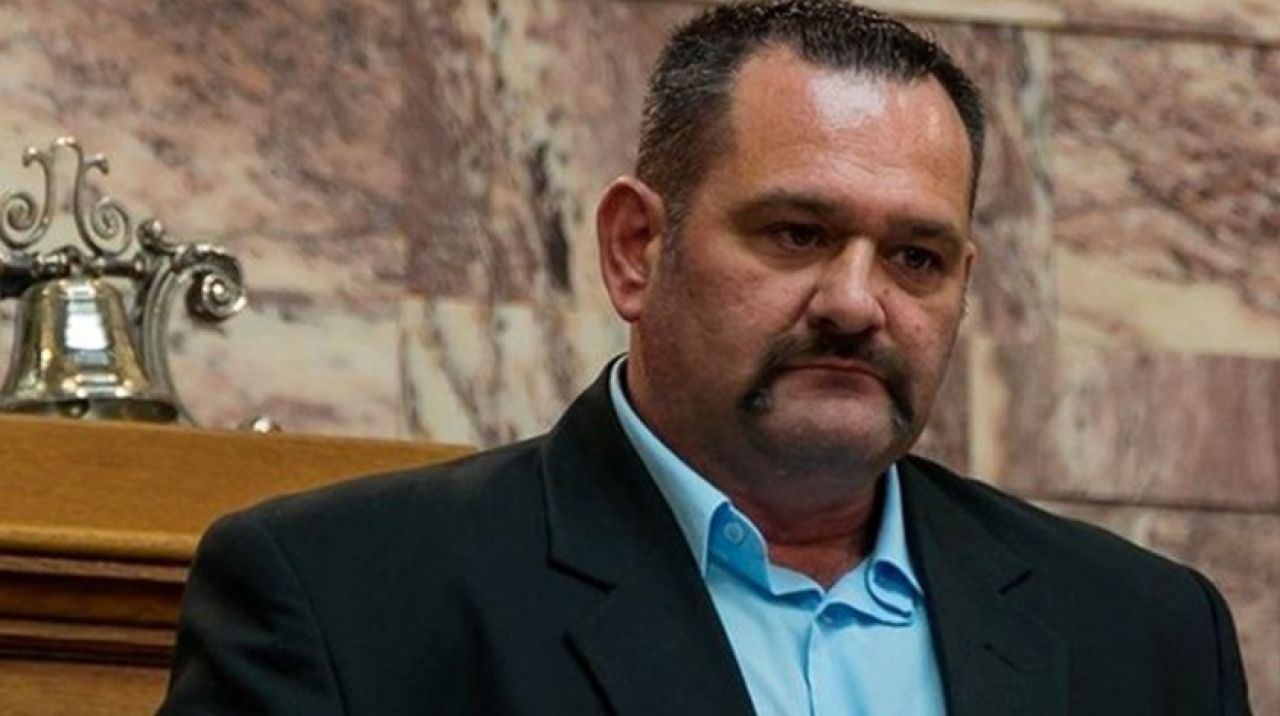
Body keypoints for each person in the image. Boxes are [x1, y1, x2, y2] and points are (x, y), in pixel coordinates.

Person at [158, 1, 1250, 714]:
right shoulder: (346, 600)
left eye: (914, 257)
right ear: (636, 248)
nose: (856, 302)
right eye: (797, 234)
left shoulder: (1144, 634)